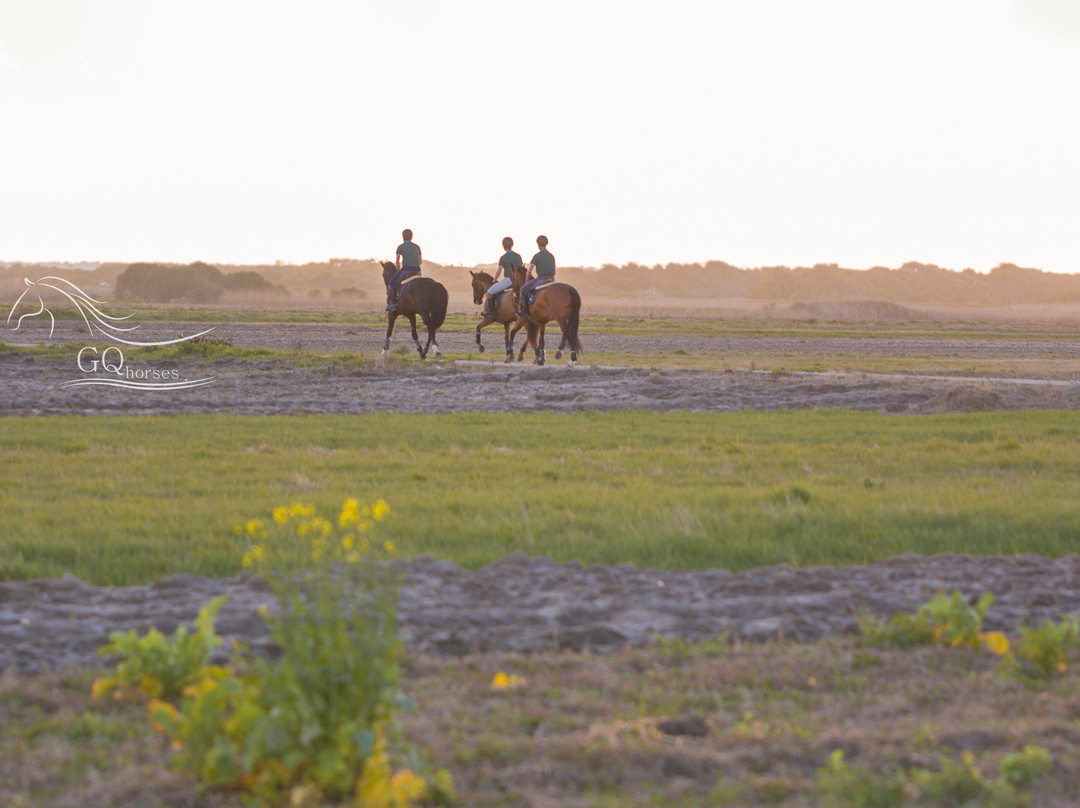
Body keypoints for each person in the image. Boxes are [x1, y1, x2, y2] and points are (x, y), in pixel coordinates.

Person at [516, 234, 555, 318]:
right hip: (551, 279)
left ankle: (525, 311)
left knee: (523, 290)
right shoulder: (551, 256)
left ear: (538, 244)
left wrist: (526, 282)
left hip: (541, 279)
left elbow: (529, 271)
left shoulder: (537, 256)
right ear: (546, 244)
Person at [482, 236, 522, 317]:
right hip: (518, 281)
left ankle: (490, 312)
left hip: (508, 280)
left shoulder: (503, 257)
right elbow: (522, 270)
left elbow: (499, 271)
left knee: (489, 292)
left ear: (503, 246)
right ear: (512, 245)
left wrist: (494, 280)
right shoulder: (518, 256)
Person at [387, 229, 423, 311]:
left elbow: (397, 262)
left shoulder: (400, 247)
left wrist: (398, 270)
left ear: (403, 237)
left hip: (406, 269)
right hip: (417, 270)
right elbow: (420, 261)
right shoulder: (417, 247)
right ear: (411, 236)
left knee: (391, 283)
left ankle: (392, 303)